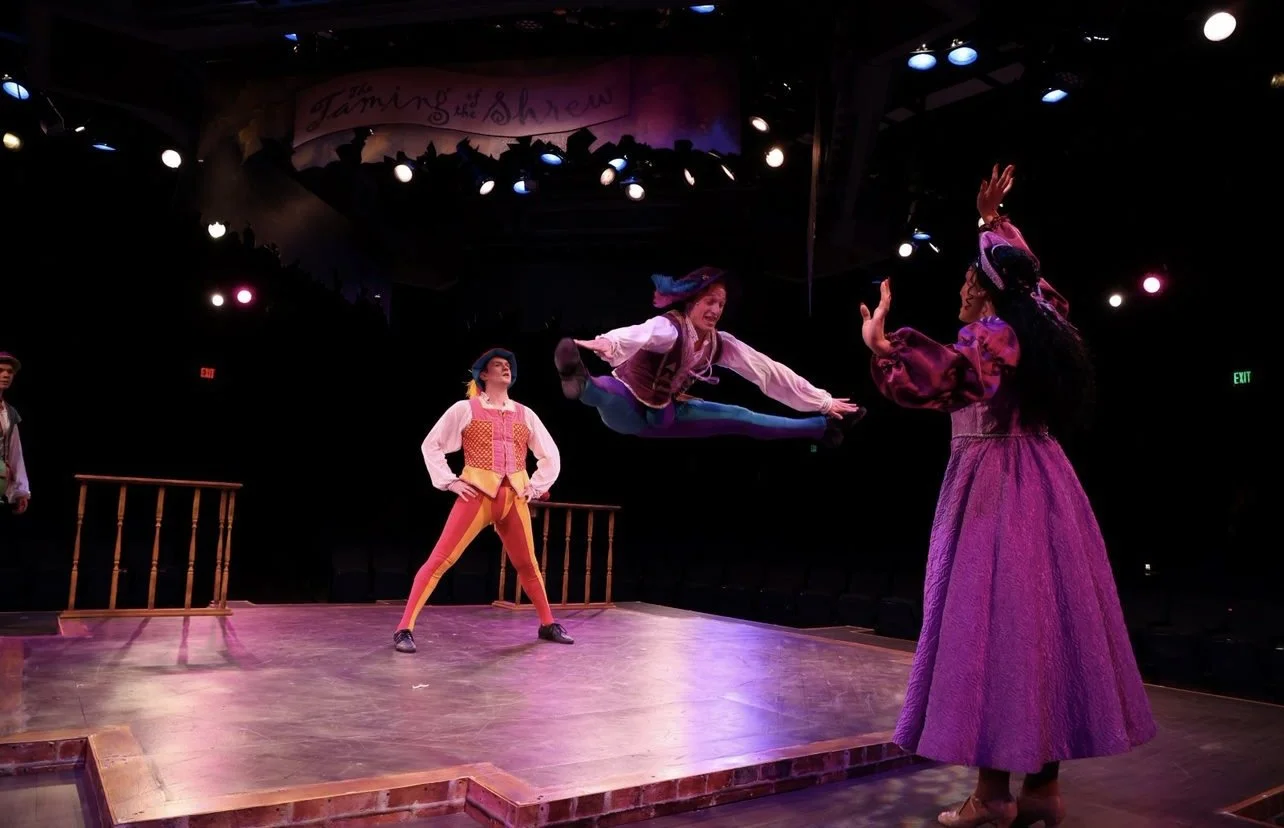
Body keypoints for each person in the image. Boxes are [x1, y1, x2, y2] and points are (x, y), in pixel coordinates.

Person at [858, 166, 1155, 828]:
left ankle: (992, 796)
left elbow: (932, 382)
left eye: (970, 279)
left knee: (995, 632)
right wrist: (992, 224)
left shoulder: (989, 341)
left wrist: (880, 345)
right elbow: (1031, 279)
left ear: (989, 293)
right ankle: (1043, 790)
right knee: (1042, 627)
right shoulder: (1037, 326)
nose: (961, 288)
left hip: (997, 494)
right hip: (1047, 488)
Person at [554, 267, 865, 444]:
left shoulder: (721, 344)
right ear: (691, 303)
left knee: (743, 418)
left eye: (721, 304)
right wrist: (606, 343)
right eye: (709, 301)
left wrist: (823, 401)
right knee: (607, 391)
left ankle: (825, 427)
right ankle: (581, 382)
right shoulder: (670, 328)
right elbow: (642, 332)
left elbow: (768, 372)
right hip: (630, 404)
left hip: (667, 414)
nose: (715, 310)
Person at [393, 348, 573, 652]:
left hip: (513, 497)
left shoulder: (524, 413)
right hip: (477, 495)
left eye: (508, 366)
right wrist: (450, 482)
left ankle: (547, 623)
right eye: (497, 365)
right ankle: (404, 628)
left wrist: (535, 485)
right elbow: (432, 445)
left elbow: (550, 454)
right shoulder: (465, 409)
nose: (504, 369)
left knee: (528, 564)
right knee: (440, 560)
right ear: (483, 375)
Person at [0, 352, 30, 516]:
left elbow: (15, 453)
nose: (5, 375)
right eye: (0, 370)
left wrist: (20, 491)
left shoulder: (9, 413)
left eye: (9, 372)